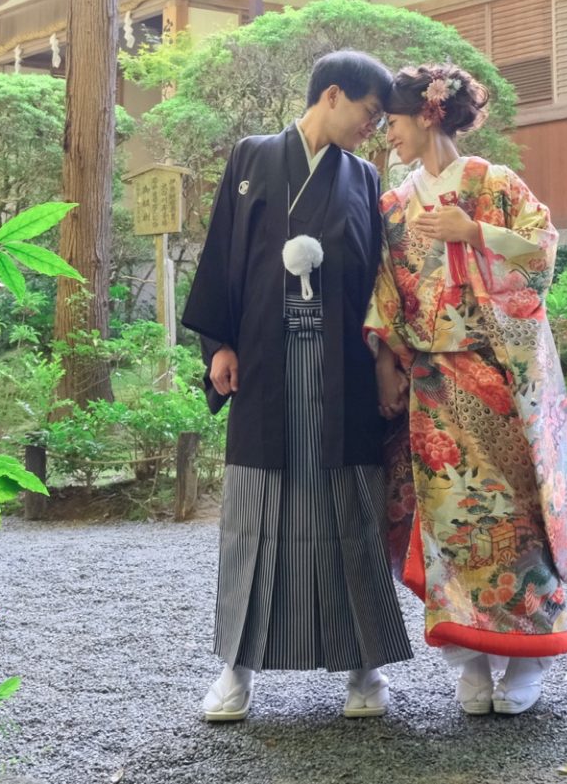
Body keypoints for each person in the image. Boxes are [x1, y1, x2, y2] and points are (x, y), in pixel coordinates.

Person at [181, 50, 414, 722]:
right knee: (257, 515)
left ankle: (363, 668)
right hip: (263, 363)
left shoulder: (364, 179)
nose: (374, 128)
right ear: (332, 95)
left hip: (342, 366)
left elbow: (380, 278)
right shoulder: (252, 158)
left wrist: (385, 359)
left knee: (351, 510)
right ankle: (236, 671)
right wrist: (218, 342)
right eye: (370, 113)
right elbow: (223, 253)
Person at [364, 63, 567, 716]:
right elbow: (385, 287)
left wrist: (474, 233)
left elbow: (542, 250)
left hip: (502, 379)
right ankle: (468, 662)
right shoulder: (395, 203)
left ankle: (523, 663)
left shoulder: (495, 184)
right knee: (452, 529)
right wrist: (386, 360)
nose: (390, 138)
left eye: (396, 123)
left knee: (517, 529)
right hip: (436, 386)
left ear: (429, 115)